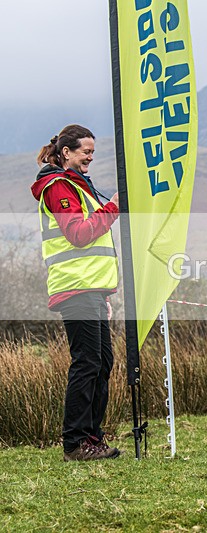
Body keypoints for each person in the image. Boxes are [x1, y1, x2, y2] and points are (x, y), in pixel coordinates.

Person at [31, 124, 122, 462]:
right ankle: (75, 443)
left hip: (92, 289)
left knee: (102, 363)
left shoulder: (79, 185)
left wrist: (105, 294)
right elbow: (79, 235)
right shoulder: (58, 187)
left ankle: (93, 438)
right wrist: (112, 208)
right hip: (74, 287)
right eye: (86, 152)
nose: (90, 159)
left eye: (92, 154)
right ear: (67, 152)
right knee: (87, 363)